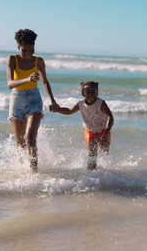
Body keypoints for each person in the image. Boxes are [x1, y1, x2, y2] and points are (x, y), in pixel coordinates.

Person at [7, 29, 59, 172]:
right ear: (18, 47)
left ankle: (34, 173)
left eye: (31, 49)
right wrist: (27, 79)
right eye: (25, 50)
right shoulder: (13, 59)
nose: (29, 53)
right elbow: (9, 84)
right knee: (20, 144)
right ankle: (23, 170)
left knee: (30, 139)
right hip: (16, 99)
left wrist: (53, 101)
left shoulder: (39, 61)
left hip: (34, 99)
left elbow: (45, 82)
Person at [51, 81, 114, 170]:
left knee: (104, 155)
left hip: (104, 130)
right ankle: (91, 175)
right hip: (90, 130)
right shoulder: (81, 104)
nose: (91, 94)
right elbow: (69, 111)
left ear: (97, 92)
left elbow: (110, 117)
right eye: (88, 92)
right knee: (92, 155)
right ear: (83, 93)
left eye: (93, 91)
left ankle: (104, 175)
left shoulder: (101, 103)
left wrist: (106, 133)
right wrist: (58, 110)